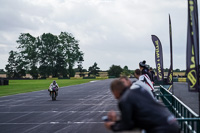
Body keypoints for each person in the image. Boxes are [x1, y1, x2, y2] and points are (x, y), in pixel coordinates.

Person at [104, 79, 180, 133]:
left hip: (160, 129)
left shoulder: (124, 100)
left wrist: (112, 126)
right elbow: (135, 120)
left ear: (115, 91)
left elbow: (128, 124)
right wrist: (117, 121)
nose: (114, 97)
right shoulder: (138, 90)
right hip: (172, 122)